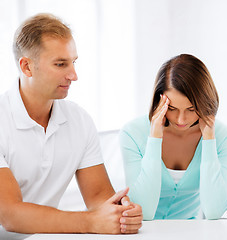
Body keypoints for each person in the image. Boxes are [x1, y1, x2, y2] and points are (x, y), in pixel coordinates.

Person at [0, 13, 142, 239]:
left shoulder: (79, 120)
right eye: (60, 64)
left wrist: (120, 211)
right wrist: (90, 221)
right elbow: (10, 215)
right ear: (27, 67)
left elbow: (98, 198)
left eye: (73, 62)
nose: (73, 75)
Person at [120, 54, 227, 220]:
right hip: (142, 233)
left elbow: (214, 211)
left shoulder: (224, 138)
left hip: (191, 234)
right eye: (172, 108)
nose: (181, 120)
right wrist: (154, 137)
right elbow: (143, 211)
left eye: (191, 109)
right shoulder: (132, 133)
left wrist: (209, 138)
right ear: (158, 101)